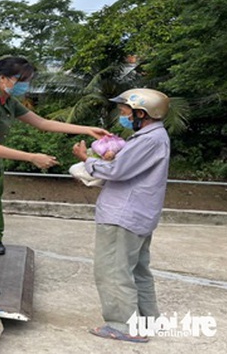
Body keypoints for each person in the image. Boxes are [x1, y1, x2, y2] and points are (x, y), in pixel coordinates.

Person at [0, 57, 109, 296]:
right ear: (3, 79)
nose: (25, 85)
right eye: (21, 80)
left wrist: (86, 129)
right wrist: (31, 157)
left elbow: (42, 123)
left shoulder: (6, 101)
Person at [72, 88, 171, 343]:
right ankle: (148, 320)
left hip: (123, 215)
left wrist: (87, 160)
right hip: (138, 214)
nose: (123, 115)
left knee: (113, 271)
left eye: (125, 110)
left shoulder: (149, 139)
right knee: (137, 270)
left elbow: (116, 171)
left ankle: (123, 325)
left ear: (142, 112)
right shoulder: (154, 137)